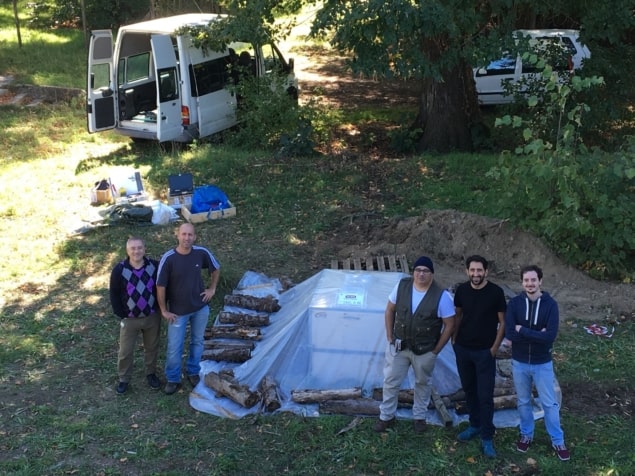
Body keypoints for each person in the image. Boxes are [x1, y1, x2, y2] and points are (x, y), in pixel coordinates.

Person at [374, 256, 455, 434]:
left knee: (422, 384)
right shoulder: (402, 286)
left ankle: (419, 417)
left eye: (426, 271)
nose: (421, 274)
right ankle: (386, 416)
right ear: (413, 272)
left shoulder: (442, 296)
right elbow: (389, 309)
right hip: (399, 345)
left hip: (425, 350)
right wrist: (389, 335)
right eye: (418, 270)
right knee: (390, 381)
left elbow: (450, 324)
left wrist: (436, 350)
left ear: (432, 274)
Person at [505, 265, 570, 461]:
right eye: (526, 280)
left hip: (542, 363)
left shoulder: (551, 305)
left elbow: (549, 337)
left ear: (540, 281)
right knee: (523, 401)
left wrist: (522, 330)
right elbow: (509, 335)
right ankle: (526, 434)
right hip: (520, 362)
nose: (530, 284)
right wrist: (535, 334)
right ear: (522, 282)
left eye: (533, 280)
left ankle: (558, 440)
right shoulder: (515, 304)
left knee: (549, 403)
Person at [452, 255, 506, 458]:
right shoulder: (462, 290)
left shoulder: (496, 292)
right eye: (472, 270)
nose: (476, 274)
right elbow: (458, 315)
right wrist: (454, 340)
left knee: (485, 396)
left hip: (485, 352)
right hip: (463, 350)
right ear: (467, 271)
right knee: (469, 390)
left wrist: (493, 349)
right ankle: (474, 425)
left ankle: (487, 436)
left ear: (486, 271)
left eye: (479, 270)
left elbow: (503, 322)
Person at [157, 223, 220, 395]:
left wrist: (212, 289)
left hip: (200, 308)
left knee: (197, 342)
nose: (186, 238)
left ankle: (193, 372)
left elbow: (216, 268)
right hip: (177, 312)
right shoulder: (169, 258)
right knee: (174, 346)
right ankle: (173, 378)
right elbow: (160, 286)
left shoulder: (201, 253)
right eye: (183, 234)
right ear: (177, 235)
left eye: (190, 235)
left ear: (195, 237)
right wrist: (163, 310)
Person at [109, 236, 162, 394]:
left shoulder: (154, 266)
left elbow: (163, 287)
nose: (136, 251)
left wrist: (162, 307)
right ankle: (124, 379)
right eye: (133, 248)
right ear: (127, 250)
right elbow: (114, 293)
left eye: (139, 248)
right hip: (130, 319)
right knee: (125, 351)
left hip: (152, 316)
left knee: (151, 347)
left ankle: (151, 373)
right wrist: (121, 313)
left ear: (144, 249)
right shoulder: (119, 269)